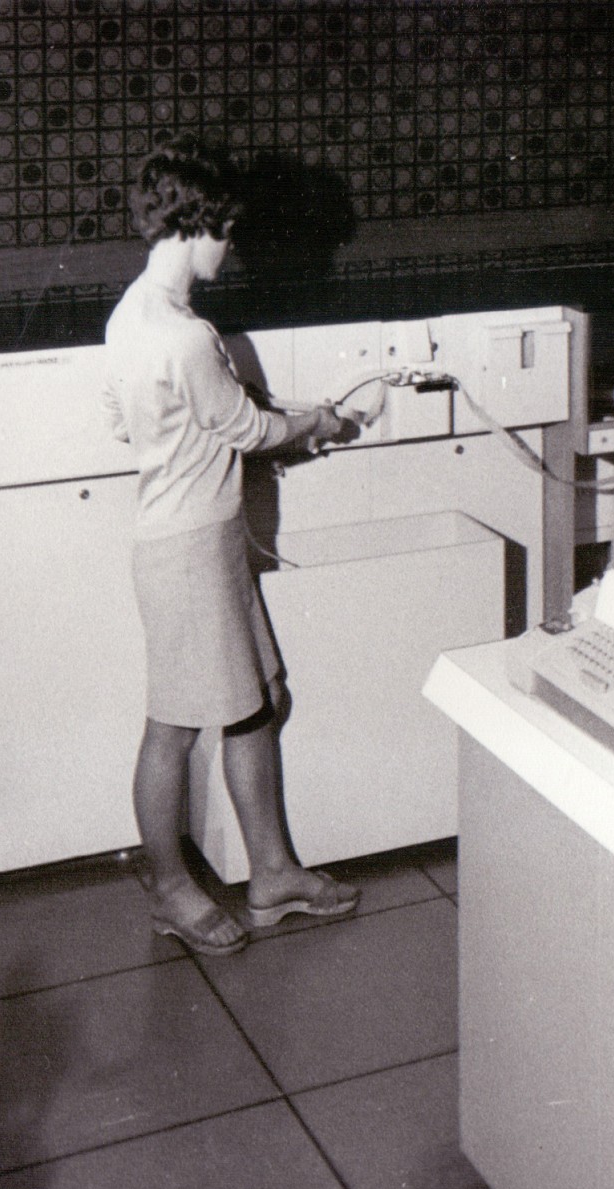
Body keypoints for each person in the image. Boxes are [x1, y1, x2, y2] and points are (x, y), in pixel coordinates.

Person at [101, 135, 360, 956]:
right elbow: (245, 427)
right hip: (186, 550)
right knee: (174, 728)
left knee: (257, 704)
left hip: (199, 541)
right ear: (196, 223)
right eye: (227, 230)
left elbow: (131, 421)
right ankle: (173, 889)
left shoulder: (131, 316)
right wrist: (313, 422)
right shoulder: (185, 334)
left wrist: (229, 419)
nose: (232, 245)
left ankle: (274, 872)